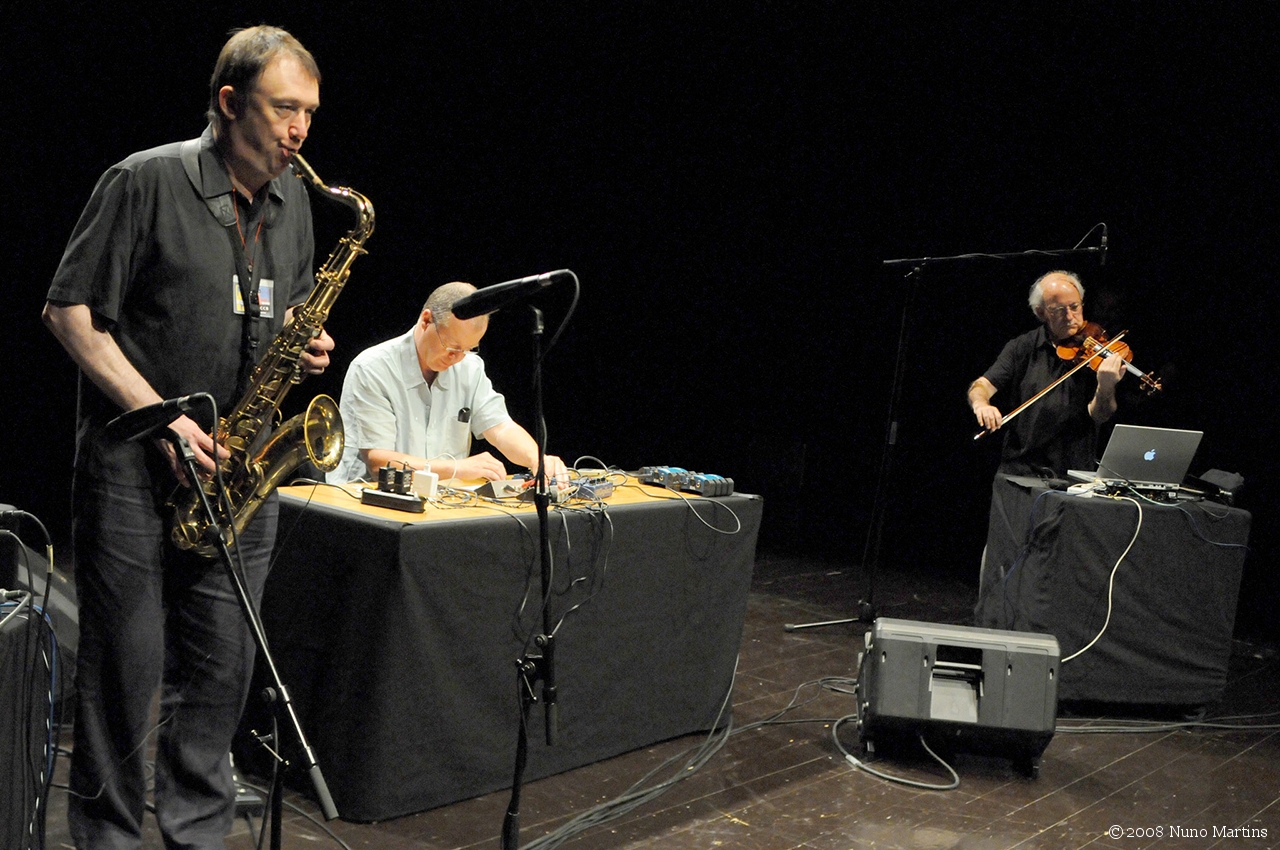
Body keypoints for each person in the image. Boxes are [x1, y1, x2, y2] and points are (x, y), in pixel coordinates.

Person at [42, 26, 334, 849]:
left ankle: (197, 833)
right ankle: (108, 838)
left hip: (238, 473)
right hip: (133, 467)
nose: (300, 131)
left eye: (310, 113)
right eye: (284, 109)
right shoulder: (145, 180)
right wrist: (160, 416)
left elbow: (284, 306)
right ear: (229, 101)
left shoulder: (294, 201)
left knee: (221, 673)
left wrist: (305, 343)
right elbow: (69, 313)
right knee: (123, 672)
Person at [330, 281, 570, 488]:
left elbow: (501, 428)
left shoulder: (469, 368)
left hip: (440, 501)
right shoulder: (372, 368)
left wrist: (537, 459)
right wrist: (459, 468)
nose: (457, 358)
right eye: (452, 346)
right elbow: (379, 463)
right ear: (426, 321)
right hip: (362, 501)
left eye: (468, 349)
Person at [968, 270, 1127, 478]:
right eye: (1058, 310)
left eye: (1075, 307)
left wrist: (1106, 387)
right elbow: (981, 386)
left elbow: (1100, 415)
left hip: (1072, 475)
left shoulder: (1096, 354)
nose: (1070, 317)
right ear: (1041, 312)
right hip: (1019, 473)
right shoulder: (1023, 347)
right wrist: (981, 404)